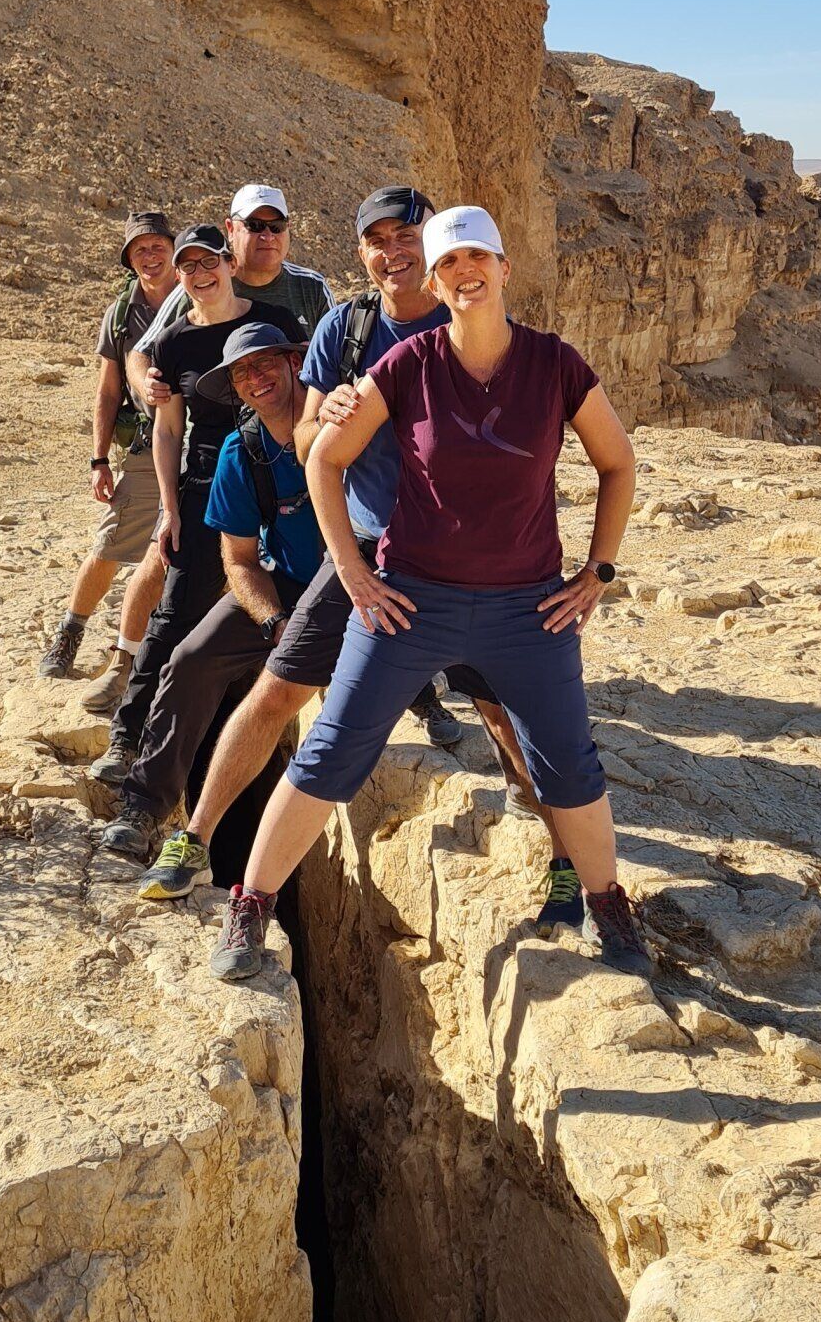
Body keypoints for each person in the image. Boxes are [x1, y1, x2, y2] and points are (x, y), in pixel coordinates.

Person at [208, 204, 647, 981]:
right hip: (410, 601)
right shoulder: (408, 364)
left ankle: (606, 903)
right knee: (332, 750)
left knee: (567, 765)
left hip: (525, 610)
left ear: (504, 268)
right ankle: (252, 907)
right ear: (437, 285)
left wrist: (597, 572)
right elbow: (323, 459)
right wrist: (352, 570)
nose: (463, 273)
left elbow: (618, 463)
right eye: (448, 265)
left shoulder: (555, 364)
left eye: (477, 258)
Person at [139, 186, 564, 912]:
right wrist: (328, 414)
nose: (393, 253)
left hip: (466, 555)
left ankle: (561, 855)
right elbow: (308, 442)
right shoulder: (347, 328)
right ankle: (196, 836)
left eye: (407, 238)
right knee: (277, 689)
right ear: (362, 251)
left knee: (508, 712)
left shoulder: (472, 319)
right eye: (377, 240)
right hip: (371, 550)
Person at [96, 321, 324, 871]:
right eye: (242, 373)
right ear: (234, 389)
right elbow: (239, 561)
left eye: (265, 362)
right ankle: (144, 808)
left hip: (353, 582)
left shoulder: (339, 424)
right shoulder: (241, 452)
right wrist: (274, 622)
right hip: (286, 583)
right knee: (191, 658)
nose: (256, 378)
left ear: (295, 363)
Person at [89, 227, 299, 786]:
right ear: (178, 275)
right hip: (209, 482)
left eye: (210, 262)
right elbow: (167, 430)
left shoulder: (276, 322)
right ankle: (127, 738)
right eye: (189, 267)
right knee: (176, 612)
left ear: (230, 263)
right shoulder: (174, 341)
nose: (201, 274)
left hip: (283, 474)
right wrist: (170, 508)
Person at [38, 212, 178, 691]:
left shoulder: (198, 292)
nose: (150, 256)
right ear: (130, 260)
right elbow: (108, 390)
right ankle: (70, 633)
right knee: (111, 543)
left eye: (158, 246)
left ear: (173, 249)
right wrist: (99, 459)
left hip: (199, 443)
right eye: (140, 250)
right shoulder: (121, 313)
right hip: (146, 444)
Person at [129, 184, 333, 388]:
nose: (268, 236)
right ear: (230, 229)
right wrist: (149, 388)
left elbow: (337, 353)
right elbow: (141, 353)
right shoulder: (201, 287)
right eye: (254, 225)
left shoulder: (311, 287)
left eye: (277, 226)